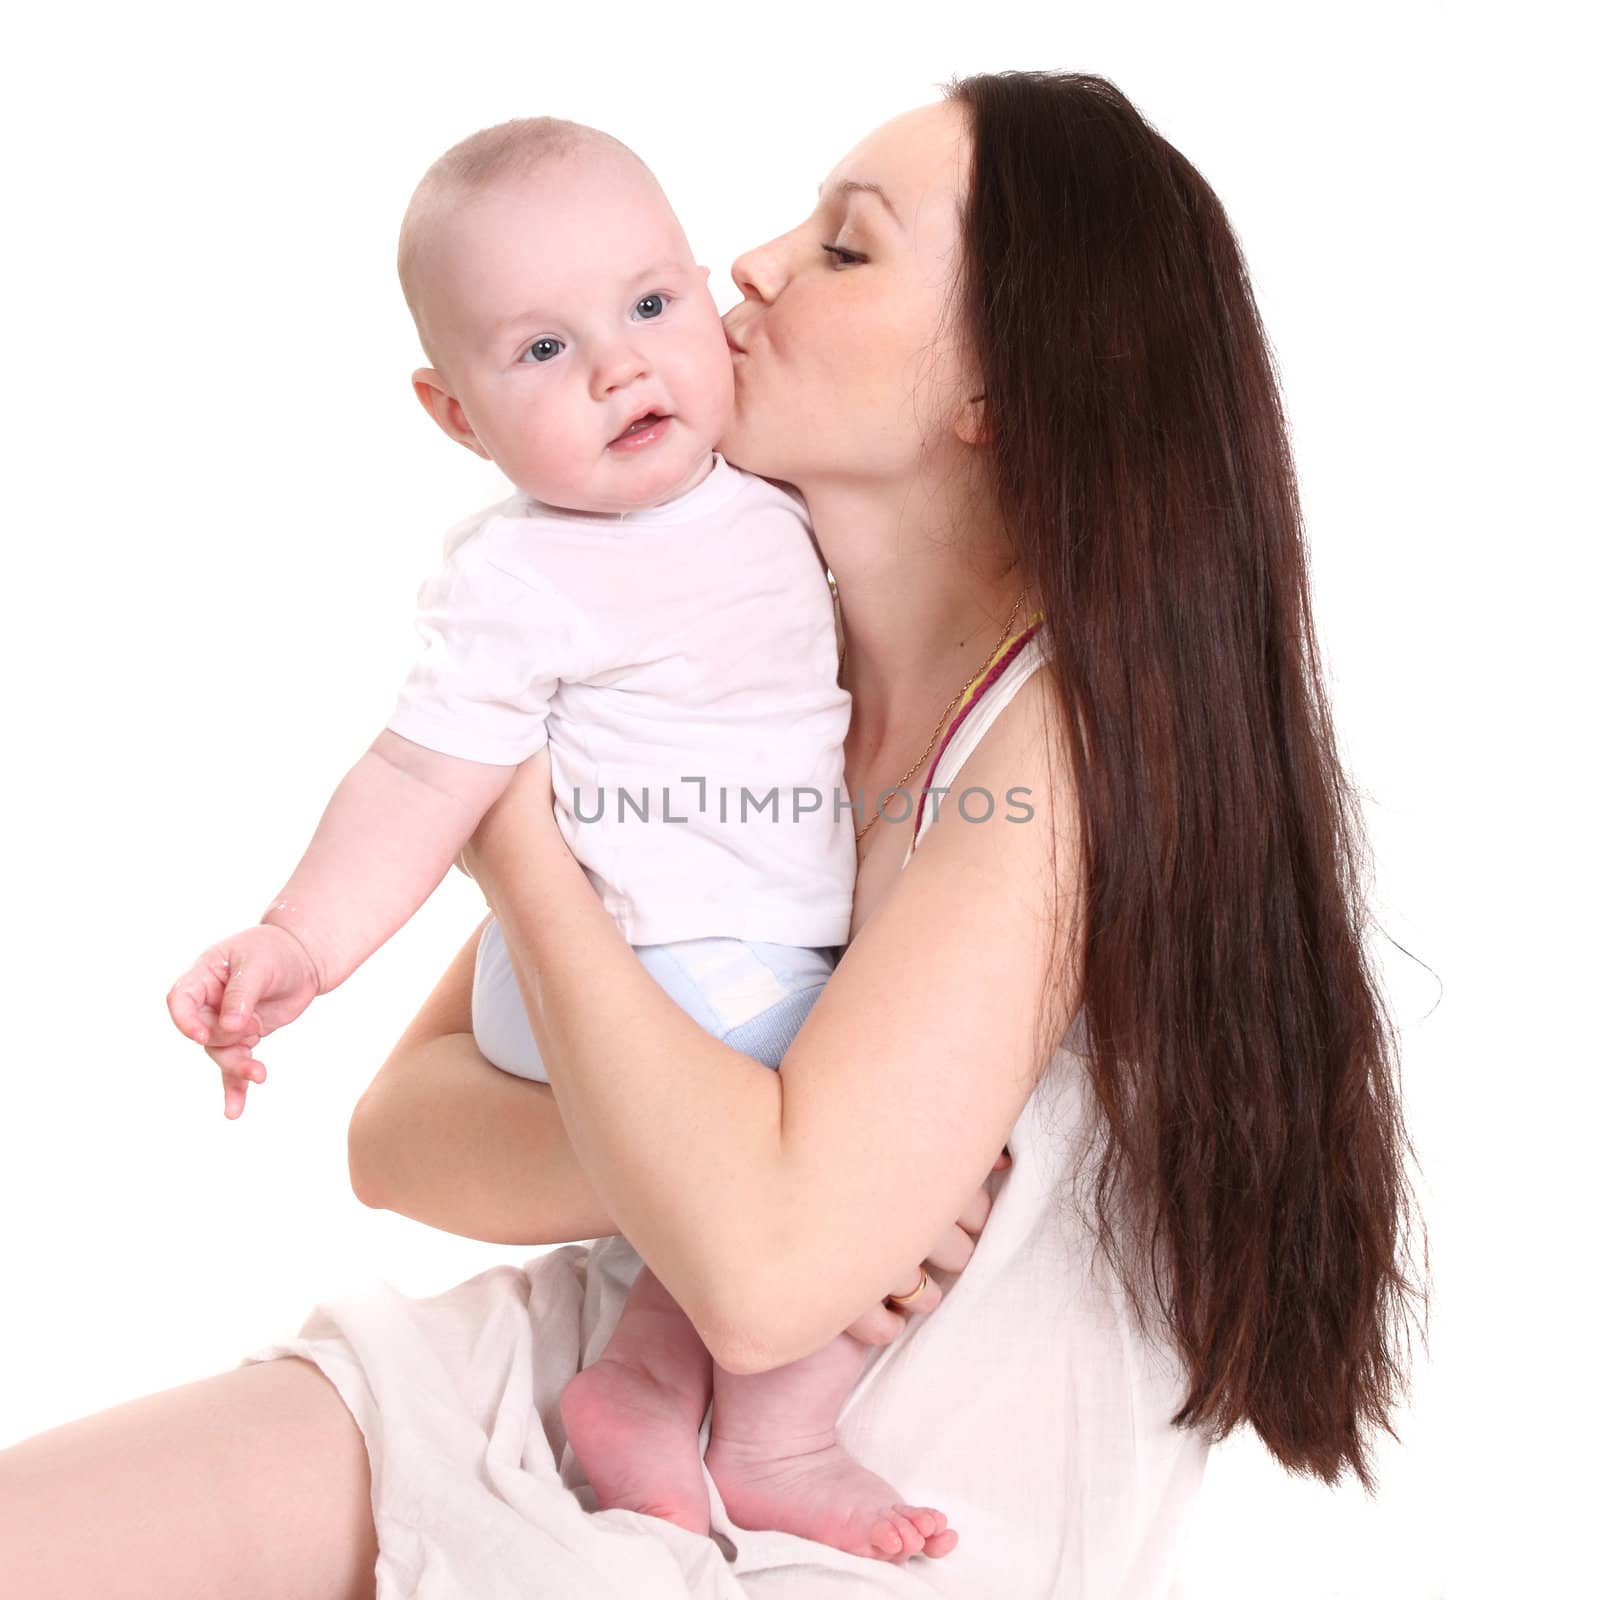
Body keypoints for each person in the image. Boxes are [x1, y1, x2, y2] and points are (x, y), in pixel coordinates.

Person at [0, 69, 1421, 1599]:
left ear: (996, 392)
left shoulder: (1060, 748)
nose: (747, 262)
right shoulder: (735, 658)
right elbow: (398, 1138)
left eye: (846, 245)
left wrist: (530, 857)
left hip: (891, 1515)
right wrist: (753, 1166)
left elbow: (756, 1284)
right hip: (594, 1387)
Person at [161, 113, 982, 1560]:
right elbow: (419, 778)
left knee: (777, 1114)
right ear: (456, 417)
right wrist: (299, 940)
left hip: (687, 968)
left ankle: (642, 1391)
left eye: (653, 307)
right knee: (869, 1129)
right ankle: (781, 1433)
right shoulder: (526, 575)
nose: (617, 365)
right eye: (541, 351)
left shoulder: (764, 498)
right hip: (651, 968)